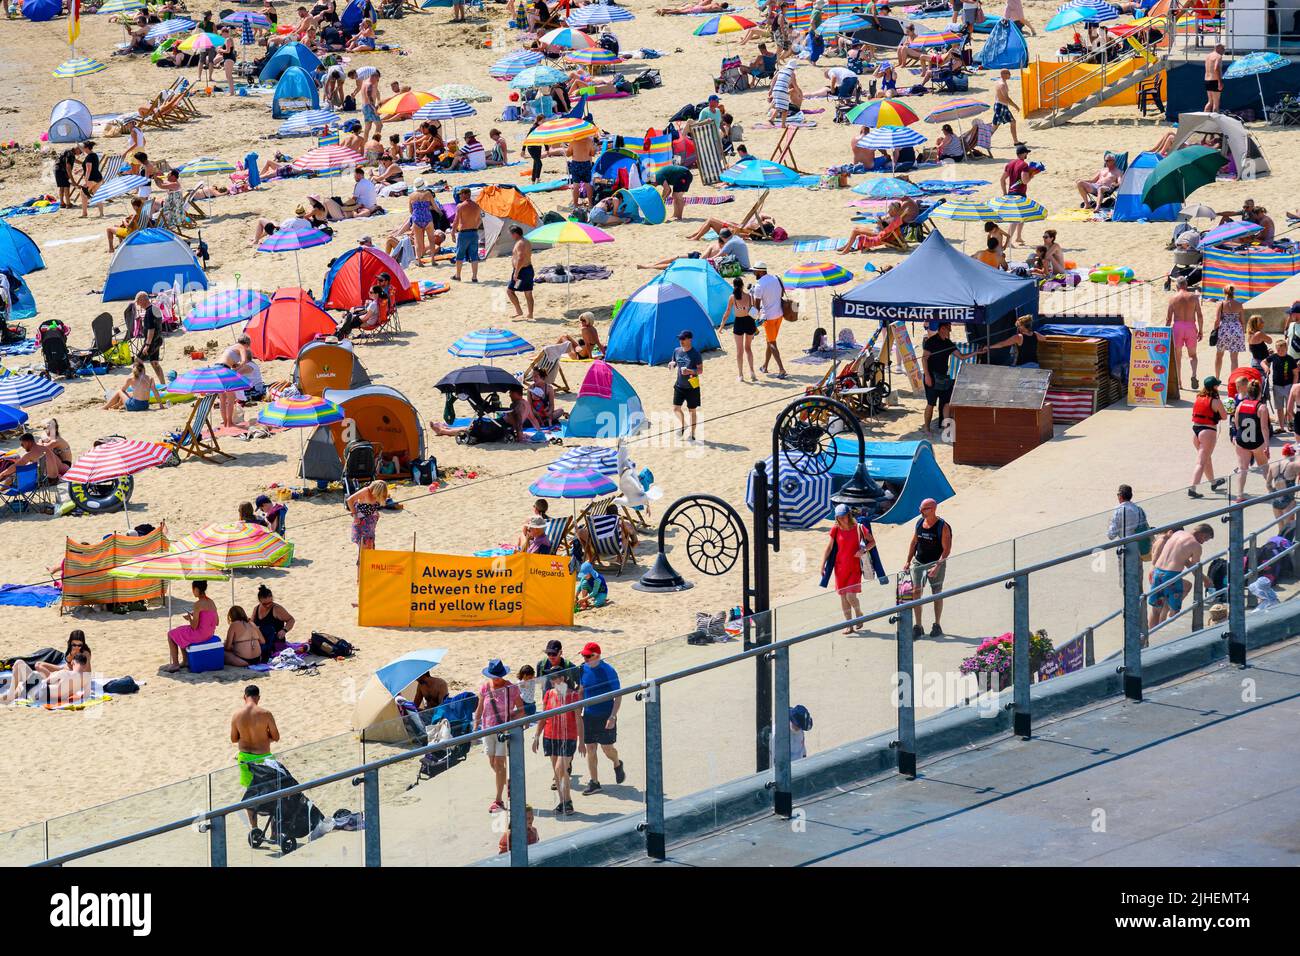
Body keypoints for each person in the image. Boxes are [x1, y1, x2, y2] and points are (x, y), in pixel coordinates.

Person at [473, 659, 524, 813]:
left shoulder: (511, 688)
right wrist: (476, 728)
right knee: (492, 762)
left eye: (499, 676)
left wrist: (511, 720)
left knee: (500, 763)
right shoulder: (485, 688)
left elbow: (521, 709)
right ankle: (506, 783)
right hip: (487, 729)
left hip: (503, 730)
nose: (496, 678)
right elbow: (480, 708)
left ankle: (498, 799)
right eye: (494, 676)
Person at [577, 642, 625, 795]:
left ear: (597, 655)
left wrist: (612, 716)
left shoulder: (608, 671)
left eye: (588, 656)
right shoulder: (582, 668)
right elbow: (581, 689)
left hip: (605, 715)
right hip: (589, 715)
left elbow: (618, 695)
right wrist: (579, 710)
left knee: (607, 748)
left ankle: (617, 763)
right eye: (584, 655)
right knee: (591, 748)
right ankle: (595, 782)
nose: (585, 658)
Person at [532, 671, 581, 814]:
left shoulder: (573, 695)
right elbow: (543, 717)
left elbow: (578, 719)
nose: (553, 681)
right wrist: (536, 736)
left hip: (568, 736)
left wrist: (581, 741)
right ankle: (564, 802)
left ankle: (567, 801)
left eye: (556, 678)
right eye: (551, 679)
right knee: (559, 771)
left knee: (560, 769)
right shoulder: (548, 694)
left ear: (564, 678)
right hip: (550, 735)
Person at [231, 685, 280, 826]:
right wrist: (265, 737)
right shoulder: (265, 714)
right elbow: (276, 737)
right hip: (264, 758)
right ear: (258, 697)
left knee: (250, 794)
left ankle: (254, 829)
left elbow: (234, 738)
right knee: (273, 793)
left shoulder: (236, 715)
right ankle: (273, 833)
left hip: (245, 758)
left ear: (244, 697)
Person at [1148, 524, 1214, 628]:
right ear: (1202, 534)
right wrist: (1206, 581)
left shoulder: (1177, 534)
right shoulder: (1196, 545)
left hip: (1158, 573)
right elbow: (1194, 568)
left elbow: (1184, 560)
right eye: (1206, 539)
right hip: (1171, 576)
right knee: (1174, 611)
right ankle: (1166, 627)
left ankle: (1149, 639)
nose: (1204, 542)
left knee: (1155, 609)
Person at [903, 498, 952, 637]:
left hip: (936, 563)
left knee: (936, 592)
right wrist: (907, 561)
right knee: (916, 593)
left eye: (925, 509)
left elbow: (946, 550)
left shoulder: (942, 526)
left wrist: (937, 566)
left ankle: (937, 624)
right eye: (920, 508)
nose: (921, 511)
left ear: (933, 509)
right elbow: (914, 542)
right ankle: (918, 626)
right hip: (919, 562)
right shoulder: (919, 522)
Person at [823, 503, 872, 633]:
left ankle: (859, 613)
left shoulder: (859, 528)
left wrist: (863, 550)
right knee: (843, 597)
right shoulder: (835, 529)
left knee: (850, 596)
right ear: (837, 518)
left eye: (845, 516)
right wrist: (822, 564)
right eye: (840, 517)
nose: (843, 519)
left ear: (849, 515)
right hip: (839, 568)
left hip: (854, 567)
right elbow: (829, 547)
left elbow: (872, 542)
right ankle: (849, 625)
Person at [165, 580, 219, 672]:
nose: (193, 591)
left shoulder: (198, 604)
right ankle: (185, 661)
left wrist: (190, 618)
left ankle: (175, 664)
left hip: (200, 635)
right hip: (209, 633)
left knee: (171, 634)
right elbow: (217, 622)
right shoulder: (211, 602)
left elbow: (194, 626)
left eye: (193, 589)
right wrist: (197, 616)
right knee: (180, 630)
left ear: (197, 589)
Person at [1232, 379, 1271, 502]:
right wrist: (1267, 445)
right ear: (1260, 392)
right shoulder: (1262, 407)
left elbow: (1237, 424)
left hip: (1241, 441)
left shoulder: (1240, 405)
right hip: (1257, 442)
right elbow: (1265, 428)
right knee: (1264, 467)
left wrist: (1238, 437)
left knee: (1242, 468)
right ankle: (1271, 490)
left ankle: (1239, 495)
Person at [1, 654, 92, 706]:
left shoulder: (65, 673)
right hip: (51, 698)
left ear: (73, 662)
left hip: (40, 693)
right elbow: (86, 695)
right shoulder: (87, 678)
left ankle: (10, 695)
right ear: (84, 665)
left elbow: (48, 680)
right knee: (25, 684)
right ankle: (11, 695)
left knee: (19, 663)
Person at [1188, 376, 1227, 498]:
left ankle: (1213, 483)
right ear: (1214, 387)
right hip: (1208, 431)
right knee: (1201, 462)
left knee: (1206, 459)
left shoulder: (1198, 397)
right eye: (1217, 385)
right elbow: (1224, 416)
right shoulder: (1215, 401)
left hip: (1195, 431)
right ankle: (1192, 488)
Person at [1166, 277, 1204, 389]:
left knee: (1178, 356)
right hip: (1190, 326)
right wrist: (1201, 330)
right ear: (1186, 285)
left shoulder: (1173, 298)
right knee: (1193, 355)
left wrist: (1166, 333)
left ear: (1177, 286)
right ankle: (1193, 375)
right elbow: (1200, 315)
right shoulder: (1194, 297)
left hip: (1177, 327)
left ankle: (1179, 383)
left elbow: (1168, 319)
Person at [753, 262, 789, 379]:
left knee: (772, 343)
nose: (754, 273)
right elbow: (781, 294)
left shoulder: (759, 285)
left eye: (755, 271)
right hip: (779, 315)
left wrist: (751, 319)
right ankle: (765, 366)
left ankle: (781, 369)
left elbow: (756, 307)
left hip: (769, 317)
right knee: (770, 340)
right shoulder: (776, 278)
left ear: (761, 271)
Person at [921, 321, 958, 433]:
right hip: (931, 376)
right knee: (931, 403)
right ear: (942, 328)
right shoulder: (931, 342)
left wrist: (976, 352)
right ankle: (927, 428)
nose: (950, 330)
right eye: (948, 328)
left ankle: (947, 428)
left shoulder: (948, 343)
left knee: (946, 402)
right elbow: (924, 359)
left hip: (943, 377)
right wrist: (927, 376)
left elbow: (961, 356)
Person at [1107, 484, 1147, 582]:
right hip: (1138, 549)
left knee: (1127, 582)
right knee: (1138, 580)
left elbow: (1111, 535)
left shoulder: (1118, 511)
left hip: (1124, 551)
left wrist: (1109, 524)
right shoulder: (1138, 509)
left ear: (1120, 496)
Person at [720, 277, 758, 383]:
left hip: (739, 323)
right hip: (749, 322)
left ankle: (741, 375)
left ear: (734, 286)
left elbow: (727, 312)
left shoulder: (732, 297)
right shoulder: (750, 296)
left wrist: (721, 326)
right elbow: (754, 312)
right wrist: (755, 326)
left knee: (739, 351)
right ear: (742, 285)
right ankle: (752, 372)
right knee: (748, 349)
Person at [998, 144, 1037, 247]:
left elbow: (1002, 180)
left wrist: (1005, 193)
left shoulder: (1010, 164)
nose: (1027, 154)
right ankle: (1008, 242)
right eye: (1026, 153)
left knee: (1021, 216)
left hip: (1011, 193)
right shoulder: (1024, 165)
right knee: (1016, 218)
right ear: (1023, 154)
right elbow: (1024, 181)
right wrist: (1031, 176)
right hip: (1020, 194)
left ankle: (1018, 237)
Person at [126, 291, 166, 384]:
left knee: (138, 361)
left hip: (151, 341)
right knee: (155, 363)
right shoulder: (156, 309)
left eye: (138, 302)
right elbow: (159, 325)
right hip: (158, 339)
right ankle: (163, 384)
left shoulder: (148, 312)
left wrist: (147, 345)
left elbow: (151, 330)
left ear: (143, 300)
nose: (138, 304)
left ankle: (140, 384)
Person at [671, 329, 704, 442]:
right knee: (676, 409)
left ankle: (693, 434)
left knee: (692, 411)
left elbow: (700, 370)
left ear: (690, 339)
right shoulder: (677, 351)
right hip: (679, 386)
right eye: (680, 338)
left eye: (683, 338)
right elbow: (675, 361)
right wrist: (672, 364)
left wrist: (690, 371)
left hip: (692, 387)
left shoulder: (695, 354)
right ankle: (683, 426)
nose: (681, 341)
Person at [252, 585, 295, 663]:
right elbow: (252, 625)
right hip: (260, 641)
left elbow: (291, 620)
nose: (268, 605)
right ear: (259, 601)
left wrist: (284, 630)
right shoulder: (256, 609)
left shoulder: (277, 608)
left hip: (275, 642)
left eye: (270, 602)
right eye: (265, 604)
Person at [346, 480, 388, 556]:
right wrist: (355, 515)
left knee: (370, 544)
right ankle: (361, 565)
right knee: (364, 545)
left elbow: (373, 505)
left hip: (371, 522)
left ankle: (369, 564)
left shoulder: (376, 494)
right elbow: (349, 500)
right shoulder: (365, 491)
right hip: (361, 521)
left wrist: (375, 511)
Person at [1212, 284, 1245, 378]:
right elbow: (1242, 321)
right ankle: (1233, 380)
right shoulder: (1239, 304)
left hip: (1224, 330)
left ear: (1224, 292)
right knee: (1234, 359)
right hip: (1236, 330)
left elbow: (1217, 320)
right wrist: (1241, 333)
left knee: (1219, 356)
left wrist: (1214, 331)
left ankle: (1217, 378)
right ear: (1233, 293)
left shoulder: (1221, 304)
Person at [452, 187, 483, 283]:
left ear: (465, 194)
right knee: (474, 255)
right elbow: (480, 220)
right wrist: (475, 227)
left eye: (460, 194)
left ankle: (458, 276)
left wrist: (453, 232)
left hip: (464, 233)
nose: (459, 196)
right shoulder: (477, 206)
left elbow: (456, 221)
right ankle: (474, 277)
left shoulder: (460, 206)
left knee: (460, 255)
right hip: (474, 233)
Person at [1265, 337, 1298, 425]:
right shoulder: (1274, 357)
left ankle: (1290, 423)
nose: (1280, 352)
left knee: (1289, 407)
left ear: (1286, 349)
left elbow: (1295, 373)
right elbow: (1263, 362)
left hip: (1288, 386)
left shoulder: (1290, 359)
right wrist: (1266, 367)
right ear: (1276, 349)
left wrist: (1294, 386)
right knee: (1279, 408)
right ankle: (1281, 426)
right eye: (1278, 350)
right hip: (1277, 386)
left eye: (1283, 350)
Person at [506, 225, 534, 320]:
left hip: (521, 273)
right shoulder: (526, 241)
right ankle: (530, 314)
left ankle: (519, 311)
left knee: (510, 291)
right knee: (528, 292)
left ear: (515, 234)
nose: (511, 236)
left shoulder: (520, 243)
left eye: (511, 234)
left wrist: (516, 273)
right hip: (528, 270)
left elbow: (521, 258)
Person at [992, 69, 1020, 145]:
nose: (1010, 75)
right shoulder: (1002, 84)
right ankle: (985, 141)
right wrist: (1016, 106)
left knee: (1013, 122)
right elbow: (1006, 98)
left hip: (1001, 106)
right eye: (1008, 73)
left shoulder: (1001, 81)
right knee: (995, 126)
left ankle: (1016, 141)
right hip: (1001, 107)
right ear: (1004, 74)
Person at [567, 134, 596, 207]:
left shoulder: (573, 141)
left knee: (576, 185)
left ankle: (575, 204)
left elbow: (568, 154)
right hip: (586, 163)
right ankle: (590, 204)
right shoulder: (589, 140)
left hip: (576, 164)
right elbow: (592, 153)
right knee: (588, 185)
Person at [1204, 42, 1224, 113]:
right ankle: (1215, 123)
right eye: (1222, 49)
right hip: (1215, 80)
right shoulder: (1218, 56)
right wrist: (1220, 82)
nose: (1223, 51)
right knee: (1216, 103)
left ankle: (1204, 120)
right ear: (1218, 48)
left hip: (1207, 80)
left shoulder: (1208, 56)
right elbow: (1216, 68)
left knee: (1210, 102)